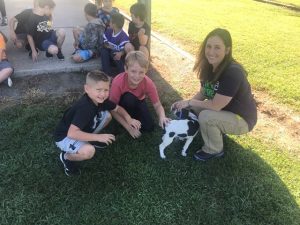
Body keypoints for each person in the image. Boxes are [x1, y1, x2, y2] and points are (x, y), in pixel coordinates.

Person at [172, 28, 257, 161]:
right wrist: (186, 104)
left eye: (217, 47)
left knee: (207, 116)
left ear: (227, 50)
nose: (211, 52)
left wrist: (190, 102)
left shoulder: (233, 72)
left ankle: (214, 149)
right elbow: (203, 92)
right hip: (224, 110)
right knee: (186, 108)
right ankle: (191, 129)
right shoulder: (209, 66)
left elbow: (215, 106)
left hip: (242, 119)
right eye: (209, 46)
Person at [54, 70, 141, 176]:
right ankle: (66, 157)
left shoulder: (100, 100)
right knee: (89, 151)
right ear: (87, 89)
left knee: (107, 115)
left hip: (79, 131)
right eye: (99, 90)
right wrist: (99, 137)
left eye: (106, 90)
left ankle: (90, 139)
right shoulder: (85, 108)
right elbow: (72, 133)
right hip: (65, 137)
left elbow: (117, 108)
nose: (103, 94)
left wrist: (129, 119)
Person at [110, 51, 170, 138]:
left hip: (139, 102)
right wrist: (129, 128)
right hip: (121, 106)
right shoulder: (117, 82)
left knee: (149, 127)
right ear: (126, 69)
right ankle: (127, 120)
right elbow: (112, 108)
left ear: (146, 71)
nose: (137, 76)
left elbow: (157, 104)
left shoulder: (148, 82)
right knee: (128, 97)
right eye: (133, 71)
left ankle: (134, 119)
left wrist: (162, 116)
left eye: (141, 72)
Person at [101, 12, 129, 76]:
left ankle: (123, 74)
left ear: (114, 24)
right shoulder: (109, 31)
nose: (109, 23)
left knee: (113, 52)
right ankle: (107, 75)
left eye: (110, 22)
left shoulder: (123, 36)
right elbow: (104, 42)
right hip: (108, 59)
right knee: (103, 51)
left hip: (118, 59)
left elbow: (124, 49)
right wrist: (107, 45)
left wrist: (120, 53)